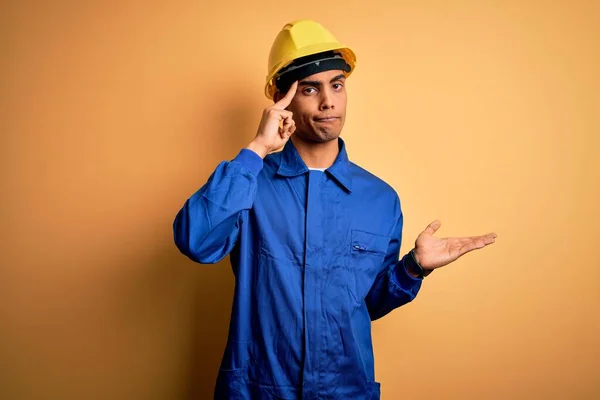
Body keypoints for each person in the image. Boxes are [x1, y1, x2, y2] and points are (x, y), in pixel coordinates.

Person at [173, 19, 497, 400]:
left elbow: (369, 303)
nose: (328, 101)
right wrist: (256, 150)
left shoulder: (380, 199)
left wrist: (413, 268)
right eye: (311, 88)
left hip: (345, 391)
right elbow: (196, 241)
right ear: (282, 99)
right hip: (258, 390)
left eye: (337, 85)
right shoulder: (249, 184)